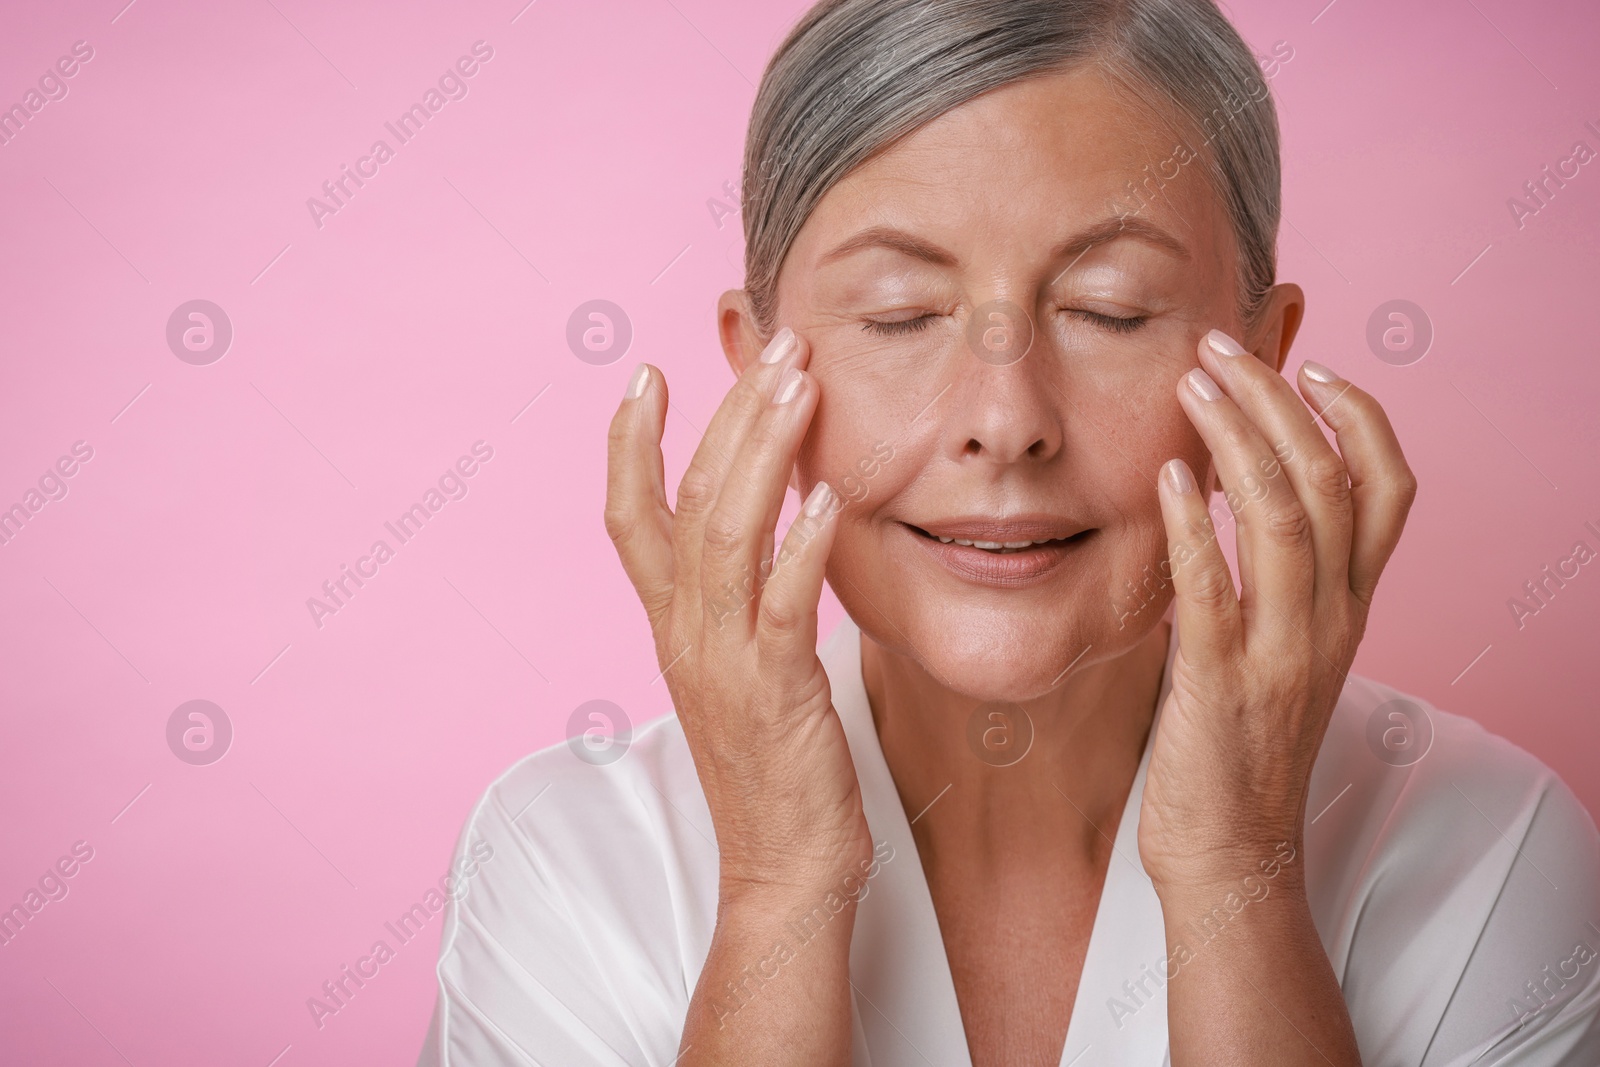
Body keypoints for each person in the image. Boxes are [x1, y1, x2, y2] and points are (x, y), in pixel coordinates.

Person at [417, 0, 1600, 1063]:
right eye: (901, 313)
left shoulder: (1490, 851)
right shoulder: (565, 860)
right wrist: (779, 890)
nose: (1004, 420)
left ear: (1262, 357)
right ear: (756, 371)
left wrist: (1237, 869)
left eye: (1108, 310)